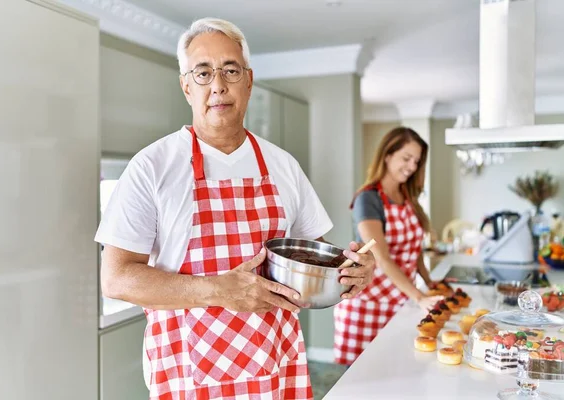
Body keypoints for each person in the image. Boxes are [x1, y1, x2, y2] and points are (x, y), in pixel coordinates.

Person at [95, 17, 375, 399]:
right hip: (187, 374)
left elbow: (316, 260)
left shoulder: (282, 166)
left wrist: (349, 273)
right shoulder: (153, 166)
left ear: (248, 80)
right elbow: (116, 278)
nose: (218, 85)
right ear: (186, 86)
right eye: (203, 72)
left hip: (276, 368)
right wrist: (215, 290)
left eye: (230, 70)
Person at [333, 127, 443, 365]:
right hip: (367, 304)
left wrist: (430, 283)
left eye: (416, 161)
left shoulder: (408, 197)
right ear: (387, 155)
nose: (412, 166)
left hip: (401, 299)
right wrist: (419, 296)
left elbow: (414, 251)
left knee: (399, 373)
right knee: (362, 385)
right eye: (406, 158)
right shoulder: (368, 199)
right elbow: (381, 257)